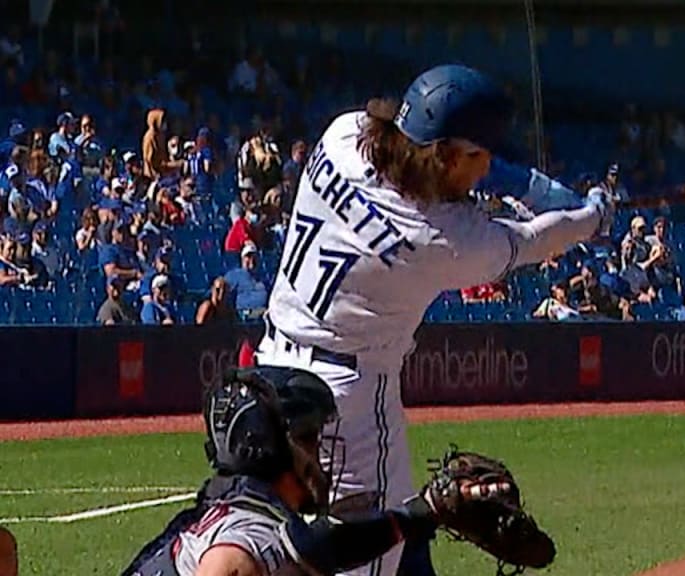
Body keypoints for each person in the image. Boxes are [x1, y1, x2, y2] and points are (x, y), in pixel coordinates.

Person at [253, 63, 612, 576]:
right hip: (344, 403)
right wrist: (592, 217)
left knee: (396, 528)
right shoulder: (440, 239)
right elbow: (535, 240)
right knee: (365, 555)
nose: (486, 169)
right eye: (478, 156)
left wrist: (542, 191)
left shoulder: (343, 134)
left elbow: (467, 168)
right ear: (446, 154)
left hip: (270, 373)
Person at [120, 367, 445, 576]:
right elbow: (231, 562)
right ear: (267, 446)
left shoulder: (241, 513)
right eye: (309, 438)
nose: (319, 455)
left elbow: (325, 545)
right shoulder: (243, 539)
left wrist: (421, 513)